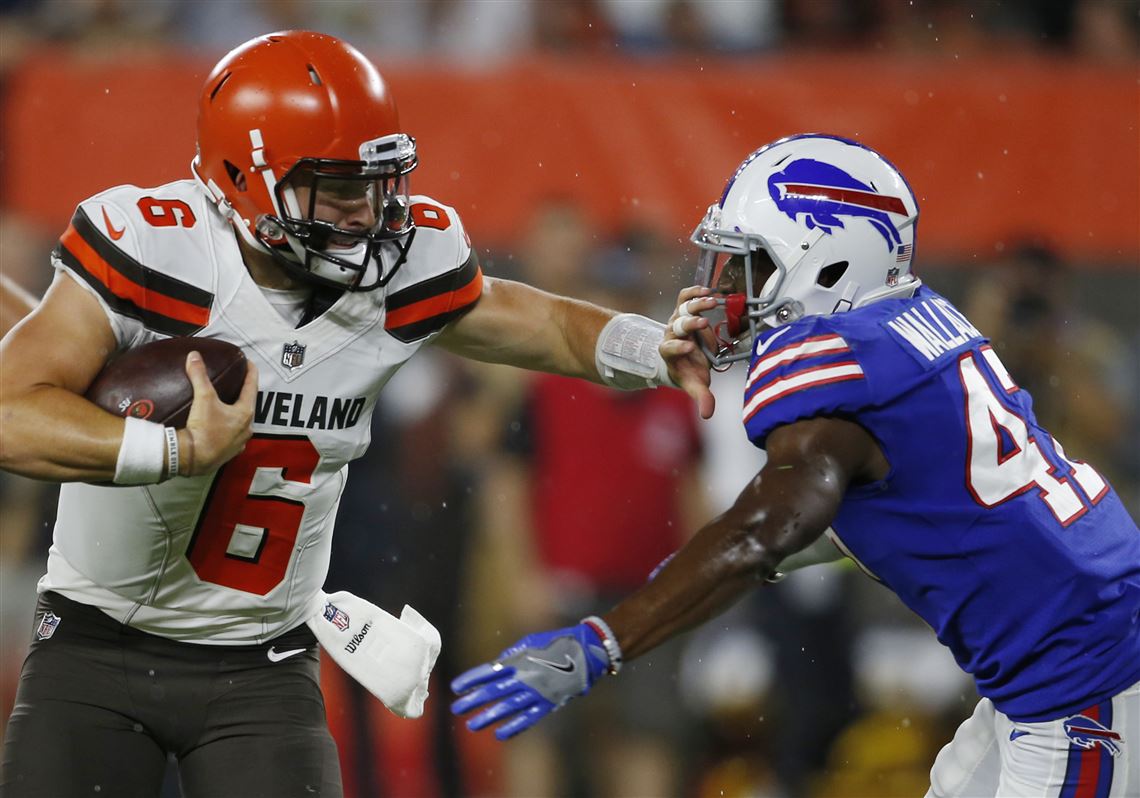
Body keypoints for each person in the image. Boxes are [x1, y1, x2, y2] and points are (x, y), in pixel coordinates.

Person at [0, 30, 711, 798]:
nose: (366, 211)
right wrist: (171, 451)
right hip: (98, 644)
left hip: (263, 663)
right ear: (244, 179)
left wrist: (653, 347)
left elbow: (536, 322)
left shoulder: (399, 268)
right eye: (335, 186)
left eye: (378, 182)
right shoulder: (155, 251)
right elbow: (10, 410)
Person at [451, 133, 1140, 798]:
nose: (723, 288)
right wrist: (707, 570)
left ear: (828, 263)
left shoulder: (831, 365)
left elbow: (765, 529)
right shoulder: (910, 319)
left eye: (748, 264)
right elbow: (871, 505)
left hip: (1084, 675)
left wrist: (603, 640)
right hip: (1071, 645)